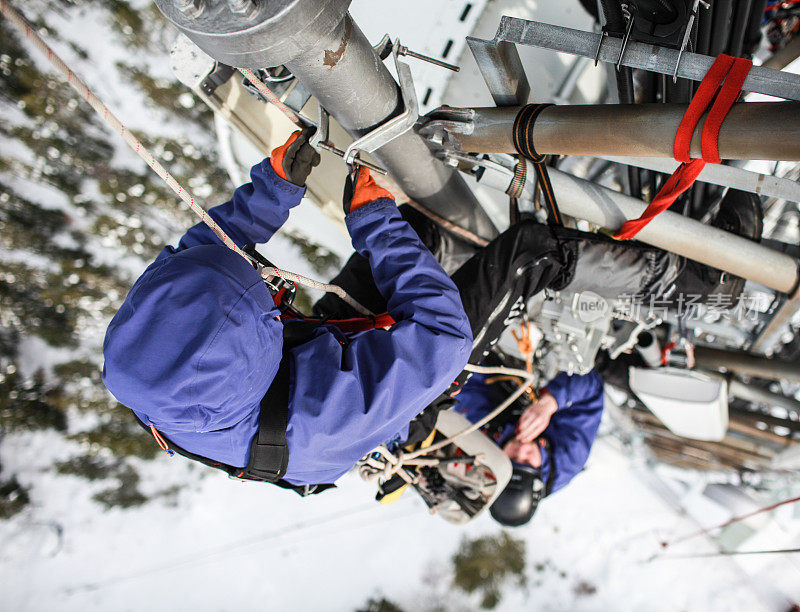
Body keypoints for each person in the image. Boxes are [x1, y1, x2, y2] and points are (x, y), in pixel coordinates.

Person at [102, 130, 740, 496]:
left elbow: (207, 254)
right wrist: (369, 222)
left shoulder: (147, 338)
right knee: (528, 256)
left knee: (410, 234)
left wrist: (271, 190)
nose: (274, 289)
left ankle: (419, 229)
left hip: (296, 367)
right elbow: (440, 336)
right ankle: (704, 286)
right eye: (271, 305)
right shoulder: (322, 417)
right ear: (266, 341)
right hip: (371, 388)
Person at [453, 369, 604, 527]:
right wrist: (551, 402)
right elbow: (593, 386)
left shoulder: (487, 443)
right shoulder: (569, 457)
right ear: (539, 471)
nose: (521, 450)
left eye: (512, 459)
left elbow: (470, 387)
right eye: (527, 461)